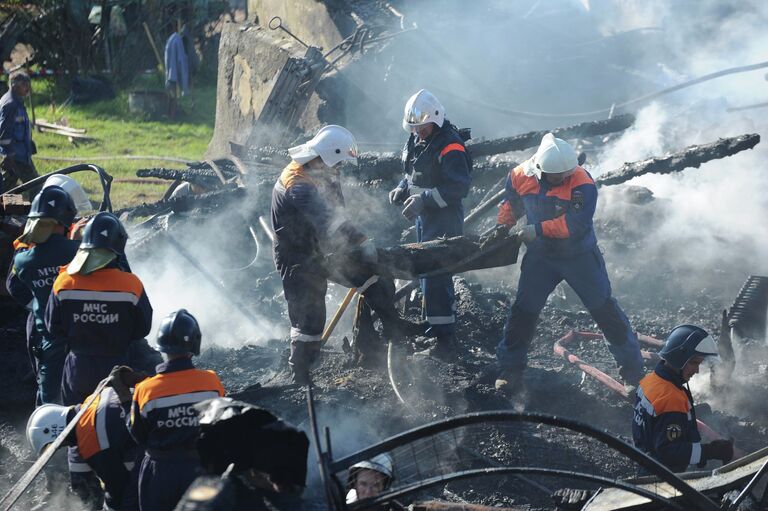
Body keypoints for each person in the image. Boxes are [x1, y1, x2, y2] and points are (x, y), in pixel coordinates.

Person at [491, 133, 644, 397]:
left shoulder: (582, 182)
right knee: (524, 311)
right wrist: (502, 227)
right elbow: (511, 205)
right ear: (539, 170)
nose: (562, 179)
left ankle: (633, 373)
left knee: (605, 310)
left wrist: (536, 230)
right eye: (556, 176)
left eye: (565, 174)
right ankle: (510, 369)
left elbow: (574, 224)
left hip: (579, 257)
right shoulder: (519, 175)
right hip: (541, 259)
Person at [271, 125, 414, 383]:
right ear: (326, 157)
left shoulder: (322, 169)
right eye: (337, 163)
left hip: (326, 249)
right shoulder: (298, 185)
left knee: (374, 278)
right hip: (298, 258)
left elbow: (337, 211)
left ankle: (397, 336)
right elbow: (329, 222)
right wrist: (360, 240)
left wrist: (353, 249)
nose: (339, 170)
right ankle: (300, 377)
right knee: (310, 320)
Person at [389, 89, 471, 360]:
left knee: (437, 275)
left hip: (444, 218)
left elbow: (457, 188)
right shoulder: (418, 139)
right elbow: (413, 172)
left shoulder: (451, 146)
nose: (417, 133)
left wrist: (423, 200)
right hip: (425, 217)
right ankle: (434, 329)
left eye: (421, 128)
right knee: (426, 273)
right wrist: (402, 188)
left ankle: (445, 341)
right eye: (414, 129)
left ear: (435, 120)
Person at [45, 212, 153, 406]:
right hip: (118, 368)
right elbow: (143, 328)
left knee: (76, 422)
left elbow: (53, 326)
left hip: (78, 368)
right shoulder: (131, 285)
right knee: (115, 421)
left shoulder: (64, 282)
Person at [129, 309, 225, 511]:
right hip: (199, 471)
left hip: (159, 473)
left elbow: (138, 434)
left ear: (162, 348)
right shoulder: (211, 382)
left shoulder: (145, 389)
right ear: (194, 344)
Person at [26, 367, 146, 510]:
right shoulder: (93, 399)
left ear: (56, 433)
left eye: (57, 445)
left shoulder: (91, 442)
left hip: (159, 453)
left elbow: (117, 487)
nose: (62, 447)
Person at [7, 185, 80, 404]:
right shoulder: (80, 250)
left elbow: (13, 286)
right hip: (81, 333)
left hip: (44, 333)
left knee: (47, 389)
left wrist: (39, 304)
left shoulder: (23, 257)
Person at [633, 325, 734, 472]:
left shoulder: (650, 381)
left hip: (645, 461)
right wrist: (710, 452)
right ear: (679, 358)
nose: (697, 370)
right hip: (663, 478)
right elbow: (669, 452)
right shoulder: (671, 398)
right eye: (694, 363)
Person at [0, 70, 38, 195]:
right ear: (14, 85)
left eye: (28, 84)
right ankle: (39, 213)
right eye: (24, 84)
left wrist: (29, 143)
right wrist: (9, 154)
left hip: (20, 153)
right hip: (16, 156)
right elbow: (4, 132)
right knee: (36, 186)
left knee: (6, 187)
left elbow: (19, 128)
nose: (28, 88)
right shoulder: (11, 104)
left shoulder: (17, 102)